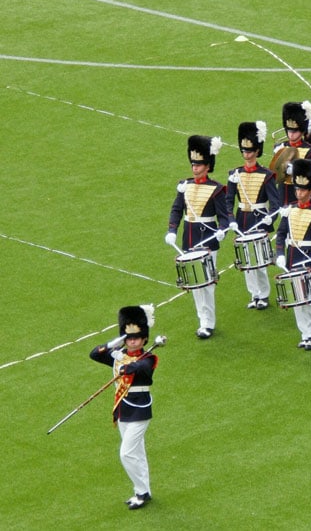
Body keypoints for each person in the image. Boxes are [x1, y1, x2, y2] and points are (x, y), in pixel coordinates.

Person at [89, 305, 157, 510]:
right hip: (123, 408)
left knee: (126, 453)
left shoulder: (148, 357)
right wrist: (118, 340)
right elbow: (95, 353)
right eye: (128, 338)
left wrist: (127, 365)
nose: (132, 341)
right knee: (137, 452)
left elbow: (142, 368)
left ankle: (141, 492)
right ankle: (144, 490)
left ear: (144, 339)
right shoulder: (119, 354)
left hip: (140, 409)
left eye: (136, 338)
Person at [166, 135, 231, 339]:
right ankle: (202, 320)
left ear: (208, 165)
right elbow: (177, 209)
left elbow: (225, 215)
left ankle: (208, 323)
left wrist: (222, 230)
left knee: (207, 284)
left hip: (208, 241)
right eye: (193, 164)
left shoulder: (217, 189)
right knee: (195, 285)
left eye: (199, 164)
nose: (195, 168)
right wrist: (172, 230)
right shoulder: (184, 185)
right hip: (190, 240)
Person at [226, 121, 281, 310]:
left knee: (259, 260)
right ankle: (254, 294)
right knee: (247, 260)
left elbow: (276, 203)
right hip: (242, 219)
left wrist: (270, 218)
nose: (246, 155)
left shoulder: (266, 175)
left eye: (249, 151)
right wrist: (231, 220)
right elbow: (229, 201)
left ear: (257, 152)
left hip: (259, 218)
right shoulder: (235, 174)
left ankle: (264, 294)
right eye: (244, 151)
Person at [275, 158, 311, 349]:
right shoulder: (290, 210)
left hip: (308, 262)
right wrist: (280, 253)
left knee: (309, 301)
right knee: (297, 301)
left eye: (303, 190)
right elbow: (281, 234)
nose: (298, 193)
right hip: (292, 260)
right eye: (297, 189)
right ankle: (304, 333)